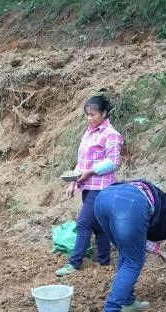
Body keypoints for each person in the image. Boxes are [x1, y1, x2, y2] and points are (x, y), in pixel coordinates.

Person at [94, 180, 166, 312]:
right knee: (133, 262)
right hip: (130, 202)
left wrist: (159, 251)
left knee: (126, 253)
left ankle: (128, 302)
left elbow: (135, 236)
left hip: (103, 198)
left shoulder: (158, 201)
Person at [55, 95, 123, 277]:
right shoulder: (89, 132)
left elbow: (113, 161)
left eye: (93, 114)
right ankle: (104, 263)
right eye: (87, 115)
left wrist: (90, 172)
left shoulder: (111, 135)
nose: (89, 118)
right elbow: (82, 162)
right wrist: (74, 182)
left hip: (101, 188)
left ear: (104, 113)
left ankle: (73, 263)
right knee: (99, 227)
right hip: (87, 186)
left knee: (83, 223)